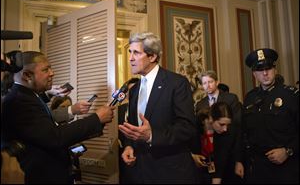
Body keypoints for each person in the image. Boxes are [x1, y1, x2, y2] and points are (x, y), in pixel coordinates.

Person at [2, 51, 115, 184]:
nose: (52, 73)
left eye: (50, 68)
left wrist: (49, 93)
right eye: (45, 69)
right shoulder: (19, 101)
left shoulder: (28, 95)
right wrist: (96, 118)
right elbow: (55, 137)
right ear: (27, 76)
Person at [118, 32, 198, 183]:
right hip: (140, 171)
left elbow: (187, 127)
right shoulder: (134, 89)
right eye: (130, 52)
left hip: (170, 172)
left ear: (152, 57)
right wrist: (129, 146)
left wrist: (151, 135)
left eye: (136, 53)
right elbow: (136, 127)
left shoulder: (177, 83)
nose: (130, 58)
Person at [235, 48, 299, 184]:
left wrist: (288, 151)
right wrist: (239, 160)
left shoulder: (290, 95)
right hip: (258, 168)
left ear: (274, 69)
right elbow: (244, 133)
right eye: (260, 69)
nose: (265, 73)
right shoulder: (250, 98)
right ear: (254, 74)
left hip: (286, 167)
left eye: (268, 68)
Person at [192, 102, 242, 184]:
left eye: (227, 124)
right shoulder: (195, 126)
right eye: (221, 124)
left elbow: (221, 159)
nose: (225, 128)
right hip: (198, 171)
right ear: (211, 118)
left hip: (222, 171)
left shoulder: (227, 131)